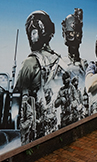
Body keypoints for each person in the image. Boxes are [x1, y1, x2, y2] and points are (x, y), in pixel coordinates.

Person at [14, 10, 60, 144]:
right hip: (53, 125)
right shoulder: (59, 61)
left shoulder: (29, 63)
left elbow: (16, 97)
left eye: (32, 32)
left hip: (34, 129)